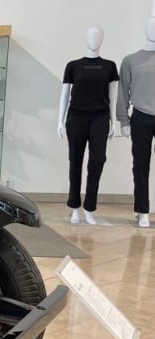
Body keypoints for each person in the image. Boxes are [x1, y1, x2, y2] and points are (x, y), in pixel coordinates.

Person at [58, 27, 119, 225]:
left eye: (98, 36)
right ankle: (74, 207)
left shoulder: (109, 66)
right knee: (75, 161)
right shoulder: (73, 66)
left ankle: (89, 208)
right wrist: (59, 120)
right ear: (86, 38)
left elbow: (113, 95)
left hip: (100, 118)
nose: (95, 39)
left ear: (103, 39)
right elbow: (64, 95)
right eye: (91, 36)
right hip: (76, 118)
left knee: (98, 161)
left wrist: (113, 120)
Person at [116, 17, 155, 228]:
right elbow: (122, 91)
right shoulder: (131, 60)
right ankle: (142, 211)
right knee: (140, 165)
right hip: (141, 116)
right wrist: (123, 119)